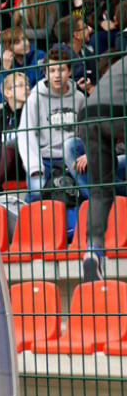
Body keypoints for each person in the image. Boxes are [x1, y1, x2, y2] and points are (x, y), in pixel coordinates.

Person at [76, 52, 127, 282]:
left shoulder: (119, 66)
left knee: (99, 189)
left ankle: (93, 251)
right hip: (118, 112)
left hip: (88, 114)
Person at [17, 46, 86, 202]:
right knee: (36, 192)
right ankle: (27, 223)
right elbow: (26, 134)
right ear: (46, 73)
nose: (56, 75)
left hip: (72, 159)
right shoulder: (35, 98)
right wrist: (34, 167)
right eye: (52, 70)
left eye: (60, 70)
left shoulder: (80, 98)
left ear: (69, 72)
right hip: (44, 159)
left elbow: (85, 131)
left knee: (83, 194)